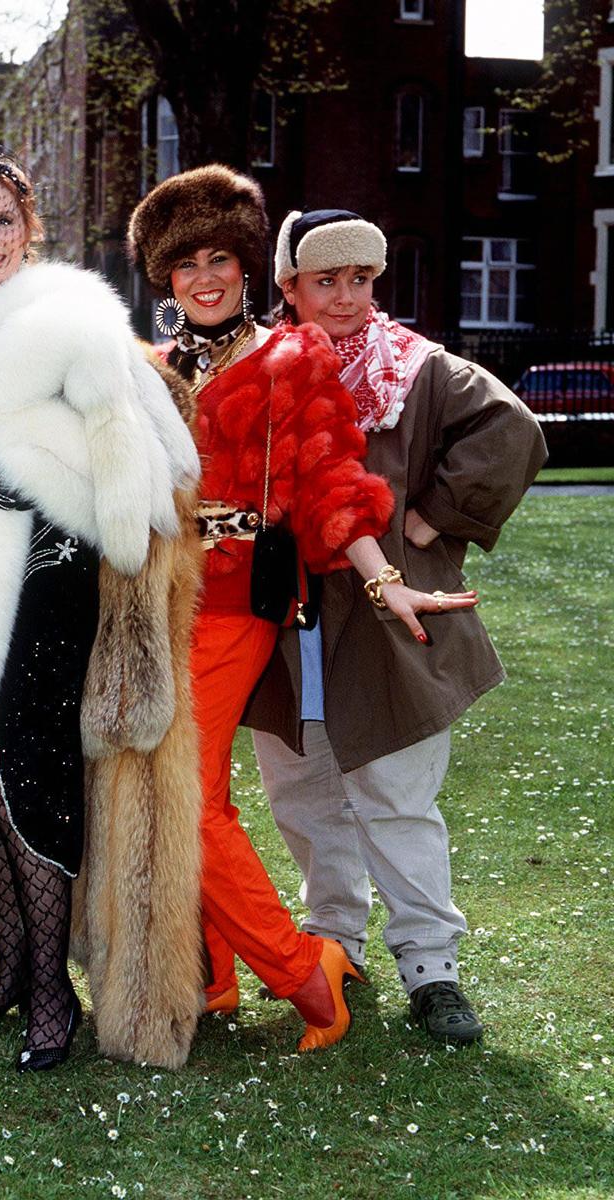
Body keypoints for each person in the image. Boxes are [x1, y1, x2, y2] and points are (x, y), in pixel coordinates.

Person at [0, 143, 199, 1071]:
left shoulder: (72, 319)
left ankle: (55, 993)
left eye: (0, 219)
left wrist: (13, 459)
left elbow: (146, 471)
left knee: (30, 771)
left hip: (49, 583)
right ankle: (14, 969)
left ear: (29, 225)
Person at [126, 164, 431, 1052]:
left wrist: (382, 577)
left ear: (250, 264)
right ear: (166, 277)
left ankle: (306, 976)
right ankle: (208, 975)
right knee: (186, 788)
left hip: (234, 606)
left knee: (184, 797)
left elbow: (334, 483)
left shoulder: (293, 356)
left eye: (220, 257)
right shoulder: (151, 367)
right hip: (154, 603)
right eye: (185, 265)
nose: (205, 277)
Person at [243, 208, 547, 1046]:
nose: (346, 298)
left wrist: (430, 521)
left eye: (362, 279)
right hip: (290, 619)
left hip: (391, 621)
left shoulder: (417, 369)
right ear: (289, 286)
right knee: (303, 795)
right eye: (325, 280)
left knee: (398, 795)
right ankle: (335, 943)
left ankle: (431, 966)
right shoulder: (260, 366)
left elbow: (512, 431)